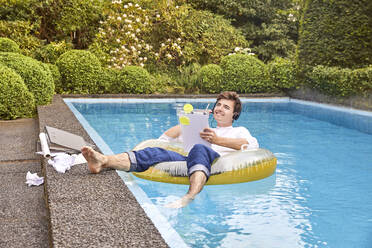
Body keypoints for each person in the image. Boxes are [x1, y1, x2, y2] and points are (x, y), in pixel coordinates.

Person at [81, 91, 259, 208]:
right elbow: (164, 139)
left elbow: (251, 146)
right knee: (155, 152)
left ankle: (189, 196)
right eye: (218, 105)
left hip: (213, 160)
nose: (220, 108)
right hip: (189, 158)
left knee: (199, 148)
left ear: (234, 114)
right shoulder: (203, 127)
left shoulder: (238, 131)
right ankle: (103, 161)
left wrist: (217, 139)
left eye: (226, 107)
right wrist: (188, 122)